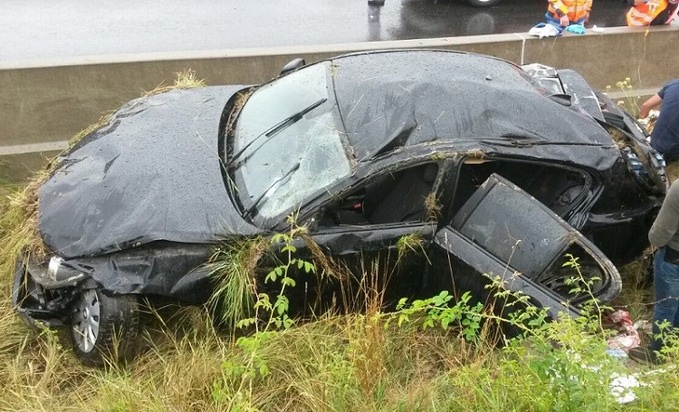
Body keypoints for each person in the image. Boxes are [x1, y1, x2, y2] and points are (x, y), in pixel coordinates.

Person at [629, 179, 679, 364]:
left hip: (674, 259)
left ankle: (657, 355)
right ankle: (673, 344)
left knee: (666, 306)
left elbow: (659, 236)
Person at [639, 79, 679, 162]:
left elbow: (645, 106)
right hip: (672, 151)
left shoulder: (674, 84)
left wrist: (643, 121)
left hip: (654, 144)